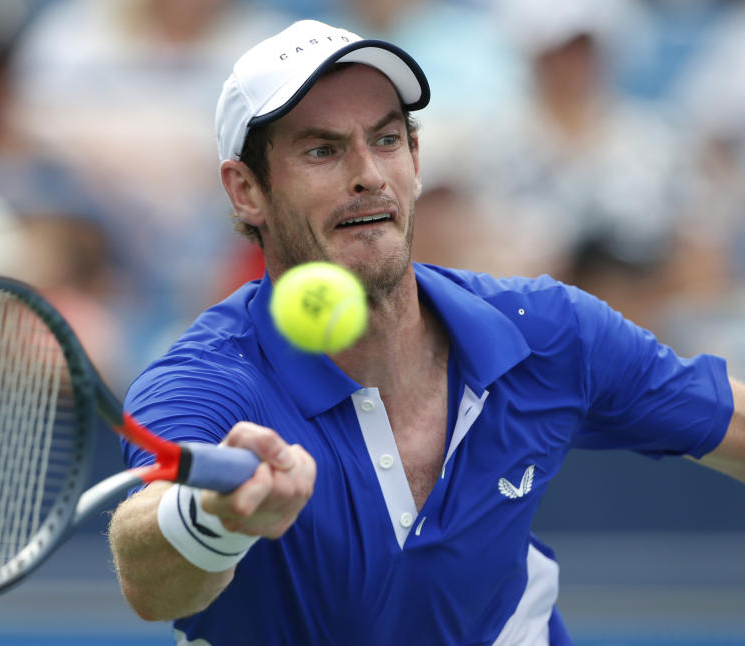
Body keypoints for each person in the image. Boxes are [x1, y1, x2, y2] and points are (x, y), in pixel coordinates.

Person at [106, 19, 745, 645]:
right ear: (246, 191)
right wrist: (216, 517)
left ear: (415, 157)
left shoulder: (547, 331)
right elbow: (148, 577)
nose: (368, 174)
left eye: (386, 141)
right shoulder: (206, 380)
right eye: (322, 150)